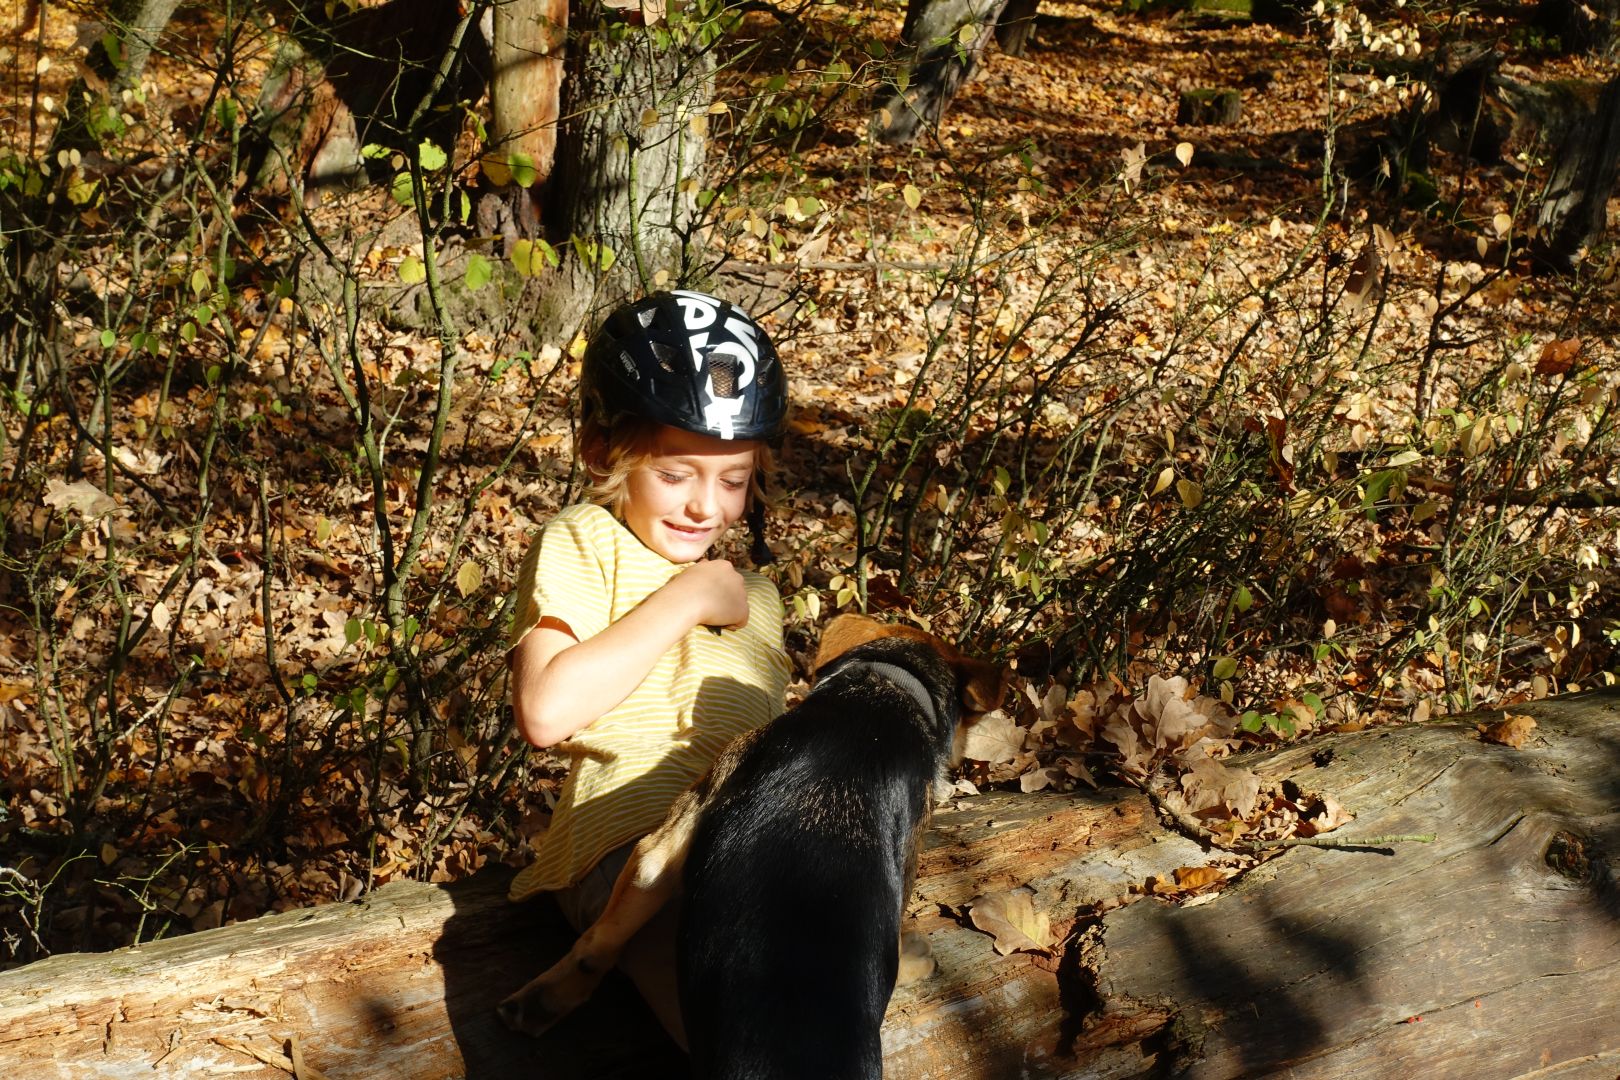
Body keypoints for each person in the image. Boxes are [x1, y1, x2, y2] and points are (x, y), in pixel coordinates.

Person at [505, 289, 791, 1046]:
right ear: (604, 453)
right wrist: (687, 598)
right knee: (746, 1034)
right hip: (627, 847)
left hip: (750, 844)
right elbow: (546, 711)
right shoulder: (585, 540)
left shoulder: (759, 599)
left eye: (732, 480)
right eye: (674, 475)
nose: (705, 507)